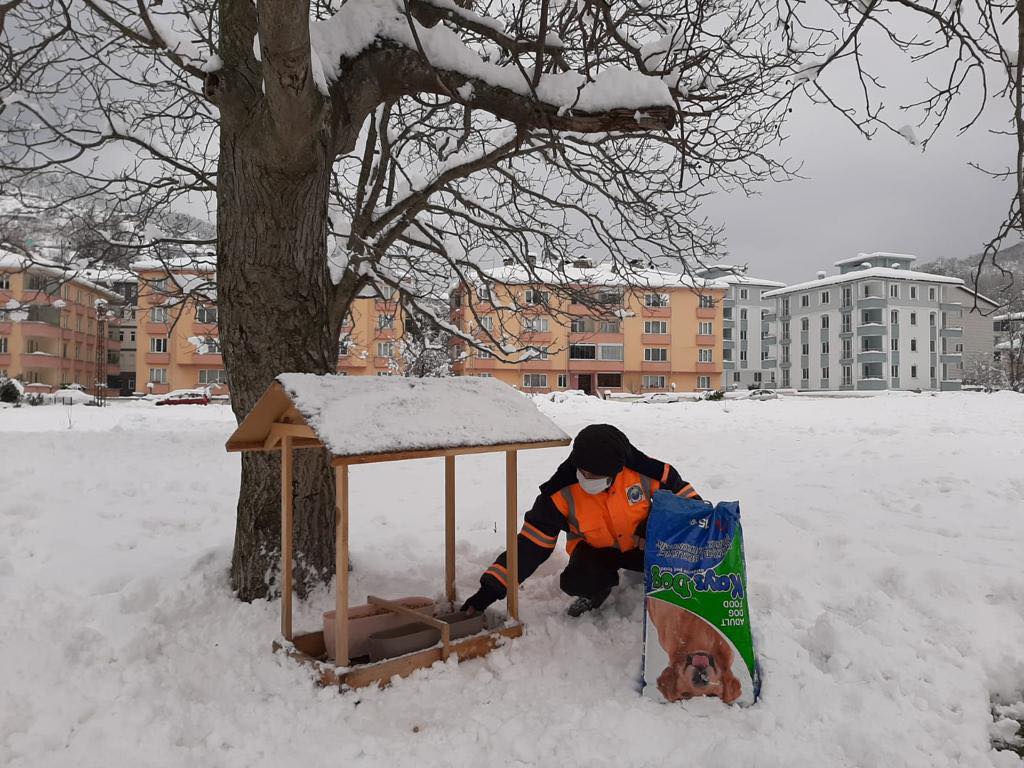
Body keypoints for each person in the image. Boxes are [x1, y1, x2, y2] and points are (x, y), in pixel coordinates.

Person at [461, 423, 702, 618]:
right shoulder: (559, 493)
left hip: (645, 548)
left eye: (595, 475)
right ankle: (598, 590)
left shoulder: (649, 474)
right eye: (583, 471)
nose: (587, 478)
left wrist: (656, 527)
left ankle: (672, 587)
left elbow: (692, 507)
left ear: (617, 469)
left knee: (685, 555)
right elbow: (530, 546)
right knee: (575, 581)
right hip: (597, 553)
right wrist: (488, 591)